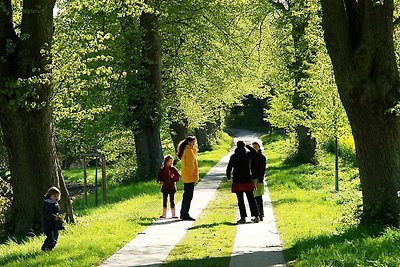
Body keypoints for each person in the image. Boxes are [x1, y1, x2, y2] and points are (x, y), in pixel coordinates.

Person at [226, 140, 260, 224]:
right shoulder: (247, 155)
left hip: (237, 180)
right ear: (244, 146)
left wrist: (228, 177)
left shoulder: (233, 156)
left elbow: (229, 167)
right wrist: (247, 146)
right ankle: (256, 216)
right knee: (251, 199)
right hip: (247, 179)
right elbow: (254, 151)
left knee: (240, 200)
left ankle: (243, 217)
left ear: (237, 146)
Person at [177, 136, 199, 221]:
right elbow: (190, 165)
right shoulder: (189, 151)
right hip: (189, 176)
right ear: (189, 142)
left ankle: (183, 213)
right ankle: (185, 214)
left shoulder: (186, 150)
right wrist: (194, 175)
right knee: (188, 196)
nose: (194, 143)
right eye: (193, 142)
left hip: (186, 176)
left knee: (186, 195)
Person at [42, 186, 64, 251]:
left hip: (55, 225)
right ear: (50, 196)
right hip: (49, 225)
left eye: (58, 196)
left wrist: (60, 217)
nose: (56, 198)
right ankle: (48, 248)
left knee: (54, 237)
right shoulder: (48, 204)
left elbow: (58, 212)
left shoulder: (55, 204)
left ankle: (45, 248)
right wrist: (54, 217)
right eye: (54, 196)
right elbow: (47, 214)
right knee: (52, 239)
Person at [251, 141, 267, 221]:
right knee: (254, 198)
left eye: (256, 147)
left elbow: (262, 170)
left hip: (258, 179)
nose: (254, 149)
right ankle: (257, 215)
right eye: (253, 147)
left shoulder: (261, 157)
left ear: (259, 147)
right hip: (252, 179)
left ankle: (261, 215)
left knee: (258, 198)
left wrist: (260, 181)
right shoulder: (251, 157)